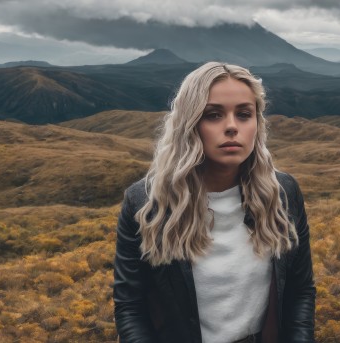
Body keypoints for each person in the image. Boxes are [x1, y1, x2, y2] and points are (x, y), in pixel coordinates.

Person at [113, 62, 316, 343]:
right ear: (190, 123)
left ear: (257, 123)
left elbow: (300, 290)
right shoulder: (146, 204)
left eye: (244, 114)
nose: (232, 127)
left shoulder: (283, 193)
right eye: (213, 115)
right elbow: (130, 307)